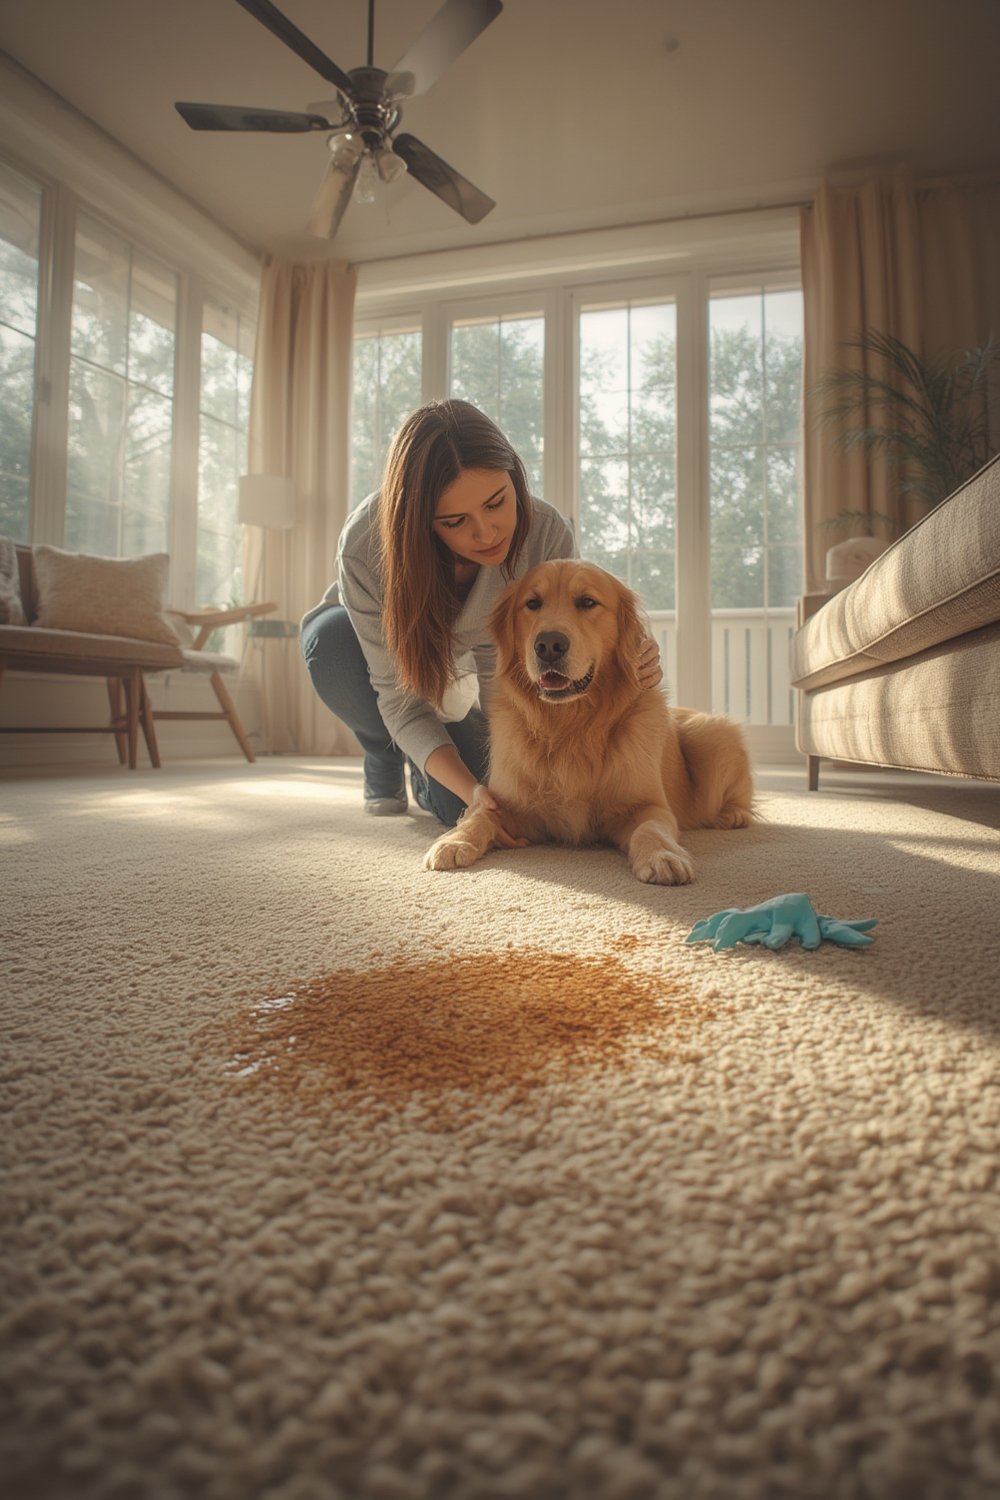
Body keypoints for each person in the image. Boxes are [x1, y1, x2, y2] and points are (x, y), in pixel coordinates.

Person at [301, 398, 661, 835]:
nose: (487, 533)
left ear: (514, 477)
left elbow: (572, 638)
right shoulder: (364, 546)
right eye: (455, 521)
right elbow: (398, 697)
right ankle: (383, 747)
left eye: (496, 503)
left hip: (491, 677)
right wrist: (469, 791)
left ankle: (425, 749)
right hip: (367, 652)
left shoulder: (546, 532)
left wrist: (635, 653)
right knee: (331, 643)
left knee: (493, 803)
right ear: (420, 520)